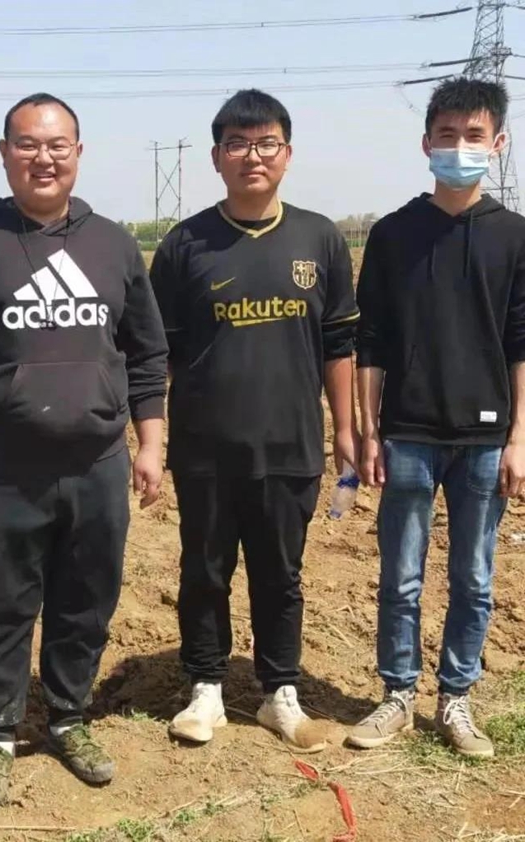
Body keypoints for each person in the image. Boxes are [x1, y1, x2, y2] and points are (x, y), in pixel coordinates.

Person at [0, 92, 168, 810]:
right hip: (4, 468)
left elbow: (147, 355)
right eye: (27, 144)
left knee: (86, 599)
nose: (44, 157)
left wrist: (150, 443)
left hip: (97, 464)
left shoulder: (112, 244)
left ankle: (67, 718)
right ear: (5, 154)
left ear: (78, 153)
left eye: (58, 145)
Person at [150, 89, 359, 751]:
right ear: (216, 157)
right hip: (206, 447)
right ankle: (206, 688)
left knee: (281, 574)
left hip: (290, 444)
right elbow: (159, 354)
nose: (252, 156)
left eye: (266, 143)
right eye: (237, 144)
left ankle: (279, 693)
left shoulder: (319, 238)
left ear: (287, 154)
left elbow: (339, 344)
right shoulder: (185, 245)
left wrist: (345, 430)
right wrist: (153, 438)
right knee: (204, 569)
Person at [349, 77, 525, 758]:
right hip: (408, 433)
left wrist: (519, 437)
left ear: (498, 143)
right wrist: (369, 430)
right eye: (447, 135)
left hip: (485, 440)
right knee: (401, 575)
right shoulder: (394, 234)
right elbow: (371, 341)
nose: (460, 147)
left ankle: (456, 698)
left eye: (474, 135)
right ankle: (398, 693)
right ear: (426, 143)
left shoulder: (513, 236)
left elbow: (520, 342)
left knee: (474, 578)